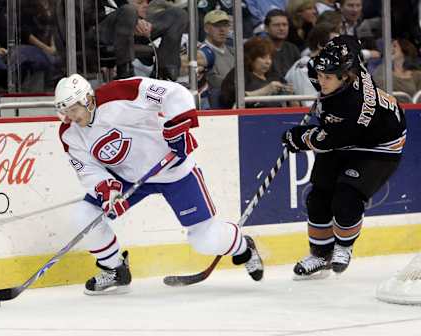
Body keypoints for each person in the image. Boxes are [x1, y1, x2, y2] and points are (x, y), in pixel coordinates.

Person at [55, 74, 263, 294]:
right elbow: (87, 168)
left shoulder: (121, 93)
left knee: (204, 239)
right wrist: (108, 190)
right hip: (128, 178)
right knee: (84, 215)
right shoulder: (70, 133)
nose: (69, 117)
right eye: (64, 111)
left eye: (73, 109)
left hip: (172, 170)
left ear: (87, 99)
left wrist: (177, 128)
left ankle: (243, 247)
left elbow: (175, 93)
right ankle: (115, 269)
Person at [281, 35, 406, 279]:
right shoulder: (345, 61)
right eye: (320, 75)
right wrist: (332, 45)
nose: (321, 81)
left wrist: (299, 137)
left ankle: (343, 248)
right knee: (318, 198)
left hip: (379, 145)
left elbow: (327, 140)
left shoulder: (354, 108)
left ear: (345, 77)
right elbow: (350, 40)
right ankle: (320, 255)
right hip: (347, 135)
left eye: (328, 78)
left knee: (346, 197)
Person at [220, 36, 292, 108]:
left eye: (270, 58)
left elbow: (293, 106)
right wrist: (265, 90)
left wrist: (291, 97)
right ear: (251, 57)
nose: (268, 62)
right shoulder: (239, 74)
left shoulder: (274, 76)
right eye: (263, 57)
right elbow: (229, 98)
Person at [372, 39, 421, 103]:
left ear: (404, 49)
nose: (391, 48)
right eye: (390, 46)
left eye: (394, 46)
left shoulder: (417, 75)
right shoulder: (382, 72)